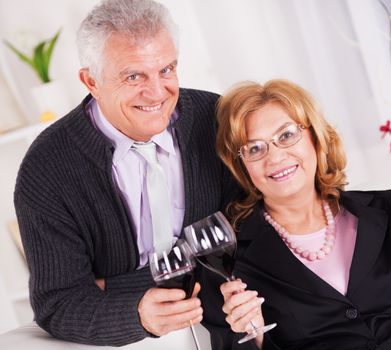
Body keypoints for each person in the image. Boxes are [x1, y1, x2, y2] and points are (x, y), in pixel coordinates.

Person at [14, 0, 238, 346]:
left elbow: (254, 230)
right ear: (91, 81)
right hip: (130, 335)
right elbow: (57, 302)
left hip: (231, 316)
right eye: (134, 76)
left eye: (166, 69)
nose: (156, 92)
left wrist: (114, 284)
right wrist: (137, 311)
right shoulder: (47, 167)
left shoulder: (217, 118)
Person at [200, 79, 391, 349]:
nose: (275, 157)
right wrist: (257, 338)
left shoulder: (384, 211)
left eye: (286, 135)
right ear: (242, 167)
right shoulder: (228, 261)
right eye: (255, 148)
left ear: (315, 136)